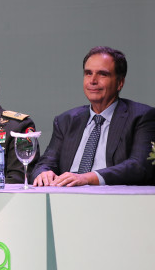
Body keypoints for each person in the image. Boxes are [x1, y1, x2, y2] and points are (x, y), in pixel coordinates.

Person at [32, 46, 155, 186]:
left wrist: (88, 178)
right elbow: (44, 164)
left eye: (102, 74)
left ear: (120, 83)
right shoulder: (66, 120)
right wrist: (44, 173)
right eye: (88, 73)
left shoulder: (141, 116)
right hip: (66, 195)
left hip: (112, 196)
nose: (93, 80)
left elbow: (139, 166)